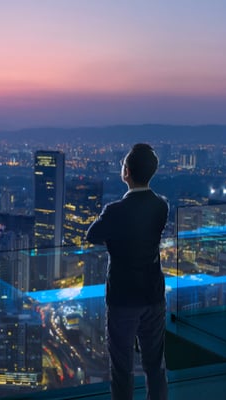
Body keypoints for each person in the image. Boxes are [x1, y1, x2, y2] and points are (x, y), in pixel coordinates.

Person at [86, 143, 169, 400]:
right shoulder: (161, 206)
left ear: (127, 172)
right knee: (155, 364)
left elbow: (92, 235)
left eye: (123, 165)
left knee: (121, 367)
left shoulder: (115, 211)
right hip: (153, 295)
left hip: (123, 299)